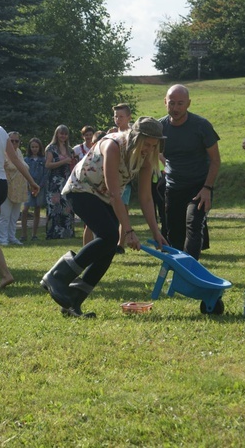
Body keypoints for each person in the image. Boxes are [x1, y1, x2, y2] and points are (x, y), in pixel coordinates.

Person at [40, 116, 168, 318]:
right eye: (147, 144)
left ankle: (73, 301)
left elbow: (146, 198)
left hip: (104, 197)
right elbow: (115, 192)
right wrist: (128, 231)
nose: (149, 149)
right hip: (81, 189)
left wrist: (156, 232)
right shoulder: (113, 145)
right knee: (109, 236)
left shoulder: (147, 157)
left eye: (154, 145)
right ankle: (56, 276)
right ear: (136, 138)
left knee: (108, 248)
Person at [159, 84, 220, 261]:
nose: (175, 108)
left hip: (199, 187)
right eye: (172, 103)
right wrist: (168, 167)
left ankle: (190, 271)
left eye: (180, 103)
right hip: (173, 188)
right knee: (175, 232)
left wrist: (207, 188)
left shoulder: (201, 126)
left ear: (188, 103)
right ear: (165, 102)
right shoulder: (160, 128)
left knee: (193, 224)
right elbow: (154, 152)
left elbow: (215, 160)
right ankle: (178, 270)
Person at [0, 125, 39, 288]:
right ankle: (5, 274)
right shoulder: (0, 131)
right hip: (1, 185)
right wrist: (32, 181)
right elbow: (15, 159)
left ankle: (6, 274)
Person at [0, 132, 30, 246]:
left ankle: (12, 236)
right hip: (8, 186)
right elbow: (9, 166)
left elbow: (24, 166)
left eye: (17, 141)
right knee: (5, 215)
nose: (14, 143)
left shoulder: (19, 153)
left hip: (19, 188)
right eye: (12, 141)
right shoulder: (3, 153)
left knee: (15, 216)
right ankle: (3, 238)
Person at [45, 125, 75, 239]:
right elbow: (48, 165)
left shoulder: (70, 149)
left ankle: (67, 233)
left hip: (67, 182)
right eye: (61, 133)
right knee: (54, 208)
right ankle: (53, 234)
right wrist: (63, 161)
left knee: (67, 207)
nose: (63, 136)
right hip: (54, 182)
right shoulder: (51, 148)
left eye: (65, 134)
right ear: (57, 134)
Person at [112, 103, 132, 254]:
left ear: (128, 117)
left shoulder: (133, 135)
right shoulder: (112, 134)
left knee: (123, 210)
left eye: (121, 117)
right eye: (115, 116)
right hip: (112, 178)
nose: (118, 119)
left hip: (125, 179)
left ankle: (121, 243)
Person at [21, 138, 47, 241]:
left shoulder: (43, 160)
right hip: (28, 187)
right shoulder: (26, 160)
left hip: (40, 187)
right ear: (29, 148)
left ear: (40, 147)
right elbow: (23, 173)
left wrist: (39, 186)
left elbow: (45, 174)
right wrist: (29, 184)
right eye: (32, 147)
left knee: (37, 210)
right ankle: (23, 234)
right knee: (25, 210)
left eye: (36, 147)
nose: (34, 149)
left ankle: (34, 234)